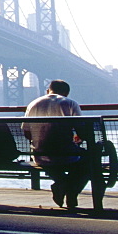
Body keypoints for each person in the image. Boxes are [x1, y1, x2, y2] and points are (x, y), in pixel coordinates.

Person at [22, 80, 88, 209]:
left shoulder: (33, 104)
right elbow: (82, 132)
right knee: (88, 161)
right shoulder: (70, 103)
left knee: (52, 162)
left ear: (48, 90)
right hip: (66, 155)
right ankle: (70, 192)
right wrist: (77, 138)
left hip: (39, 155)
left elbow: (27, 133)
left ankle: (61, 183)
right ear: (66, 93)